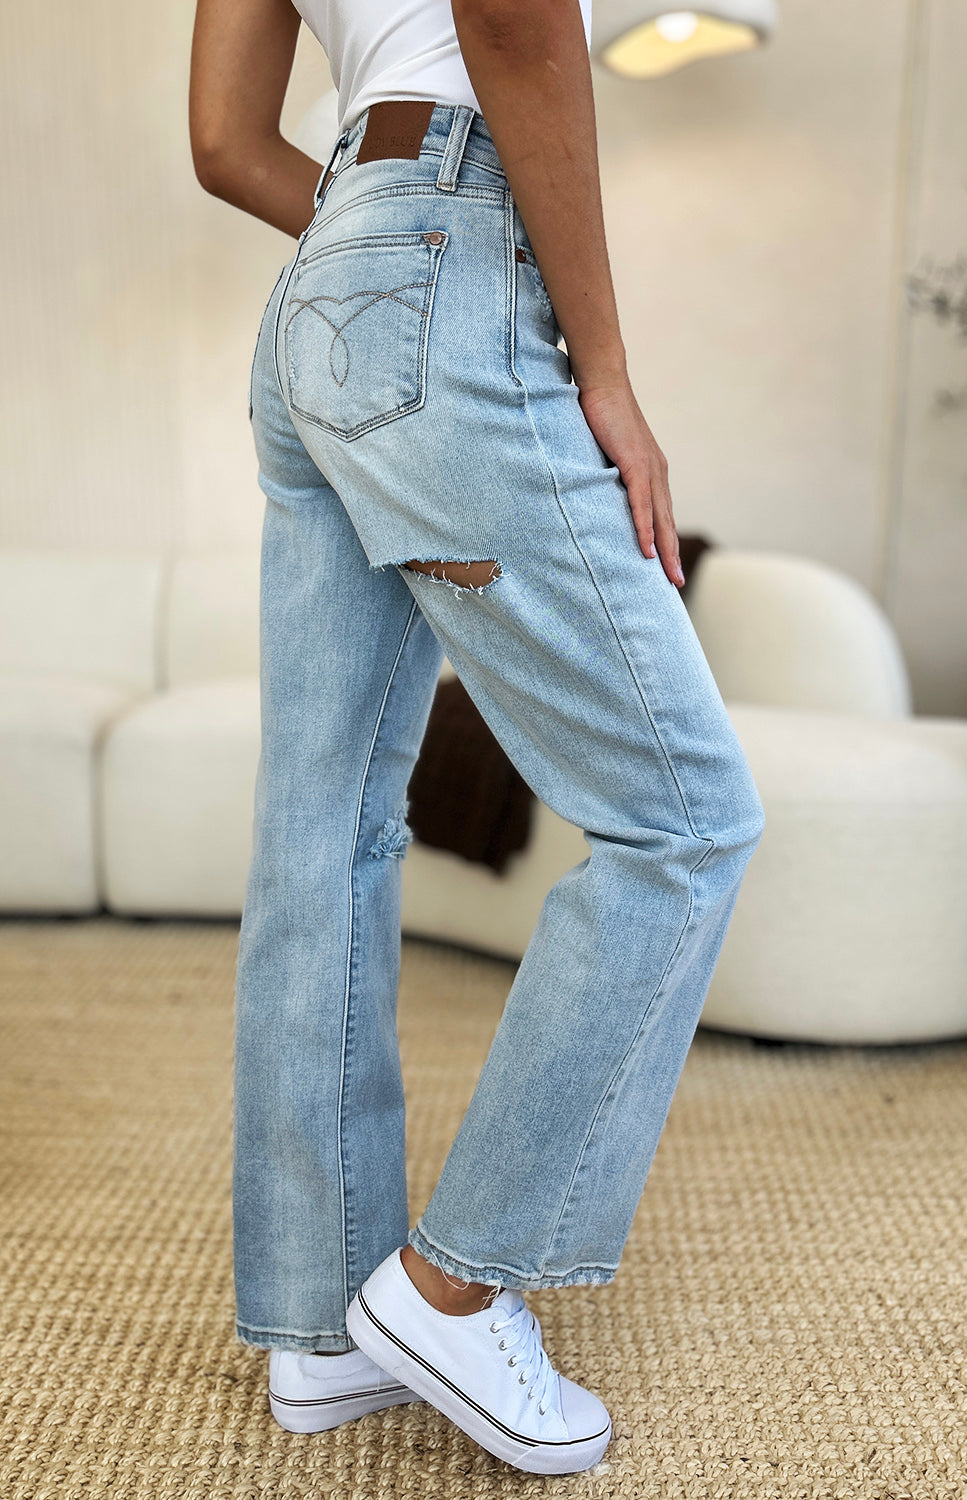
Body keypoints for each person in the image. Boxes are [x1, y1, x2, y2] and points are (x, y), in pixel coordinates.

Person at [189, 0, 766, 1476]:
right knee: (686, 815)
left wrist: (366, 230)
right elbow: (511, 19)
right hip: (449, 252)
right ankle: (456, 1284)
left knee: (322, 824)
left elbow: (219, 140)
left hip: (322, 290)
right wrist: (605, 363)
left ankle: (321, 1329)